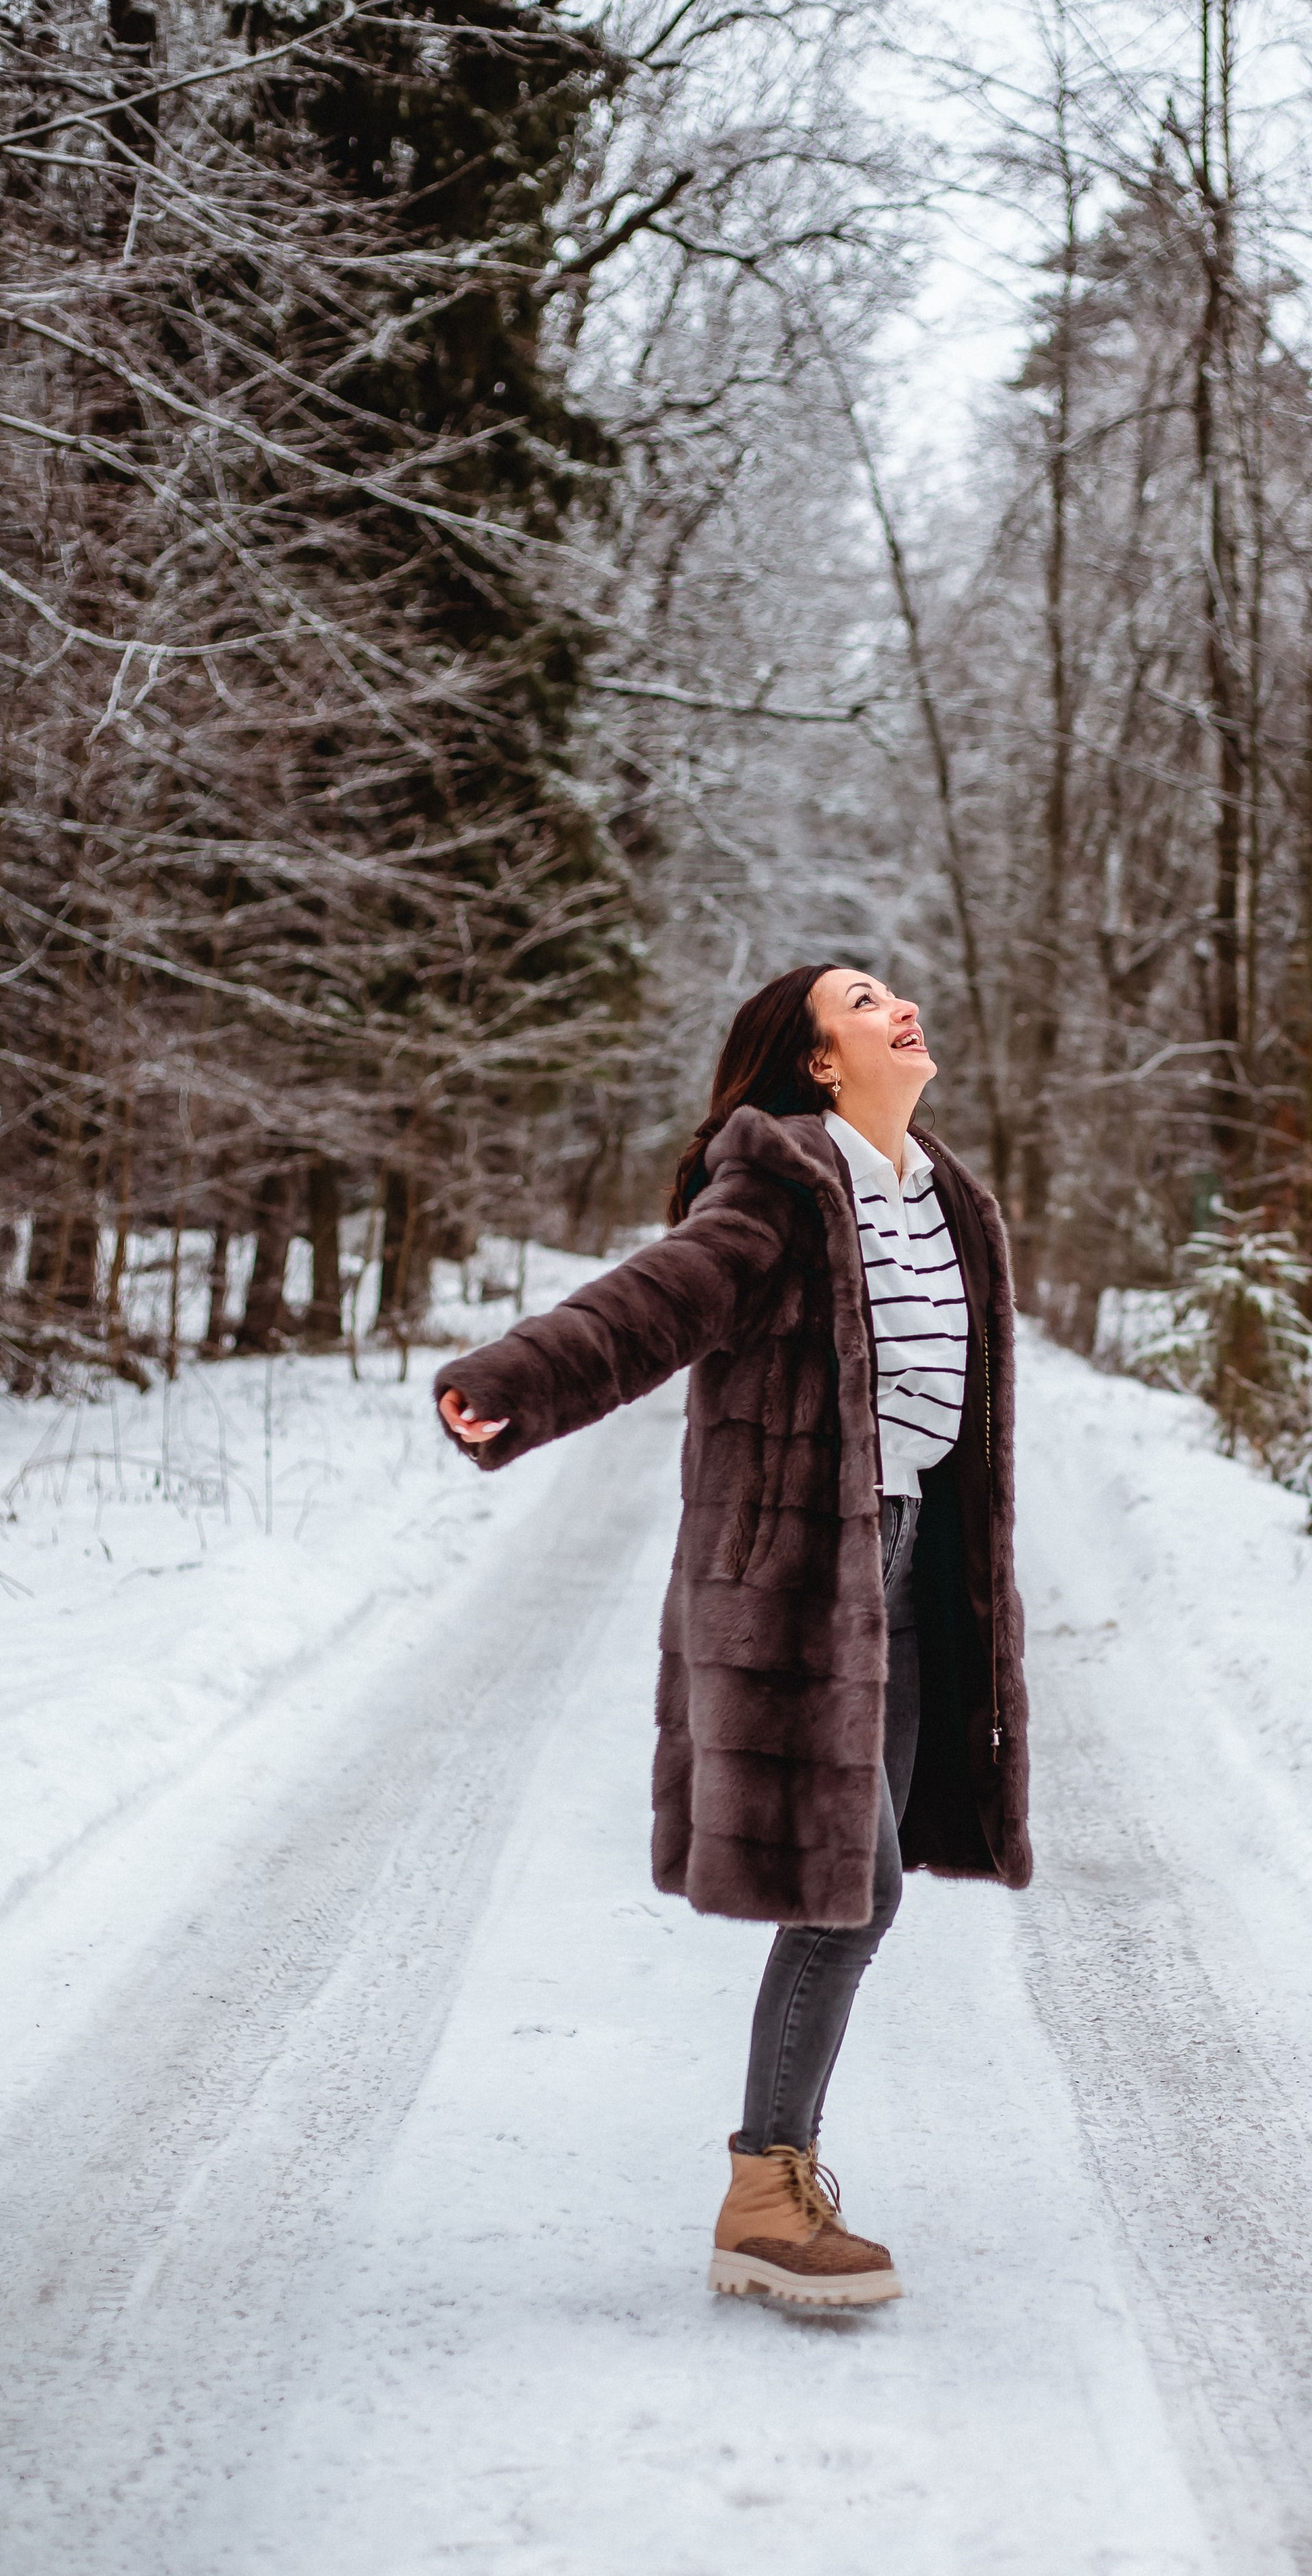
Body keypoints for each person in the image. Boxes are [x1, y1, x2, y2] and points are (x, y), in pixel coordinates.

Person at [436, 965, 1031, 2309]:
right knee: (855, 1884)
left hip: (905, 1566)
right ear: (816, 1062)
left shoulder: (941, 1199)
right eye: (863, 999)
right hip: (802, 1576)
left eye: (894, 993)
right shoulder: (776, 1189)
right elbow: (652, 1302)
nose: (898, 1009)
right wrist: (511, 1384)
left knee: (853, 1892)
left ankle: (773, 2180)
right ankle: (764, 2191)